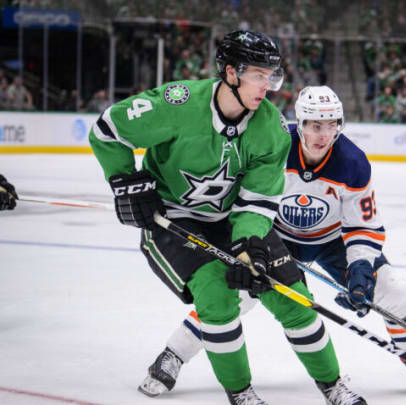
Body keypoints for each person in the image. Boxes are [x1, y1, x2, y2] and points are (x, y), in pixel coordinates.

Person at [88, 30, 365, 405]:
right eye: (258, 75)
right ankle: (241, 392)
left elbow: (257, 202)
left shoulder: (271, 130)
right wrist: (124, 180)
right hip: (174, 217)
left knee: (294, 299)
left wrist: (250, 245)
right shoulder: (178, 103)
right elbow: (108, 130)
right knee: (217, 298)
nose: (267, 86)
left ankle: (333, 385)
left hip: (232, 218)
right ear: (231, 73)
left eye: (272, 76)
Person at [139, 85, 406, 399]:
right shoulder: (273, 146)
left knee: (392, 289)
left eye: (332, 125)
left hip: (330, 241)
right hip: (273, 234)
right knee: (234, 296)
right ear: (300, 123)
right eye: (316, 125)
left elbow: (363, 224)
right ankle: (173, 353)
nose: (324, 134)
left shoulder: (353, 162)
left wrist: (360, 266)